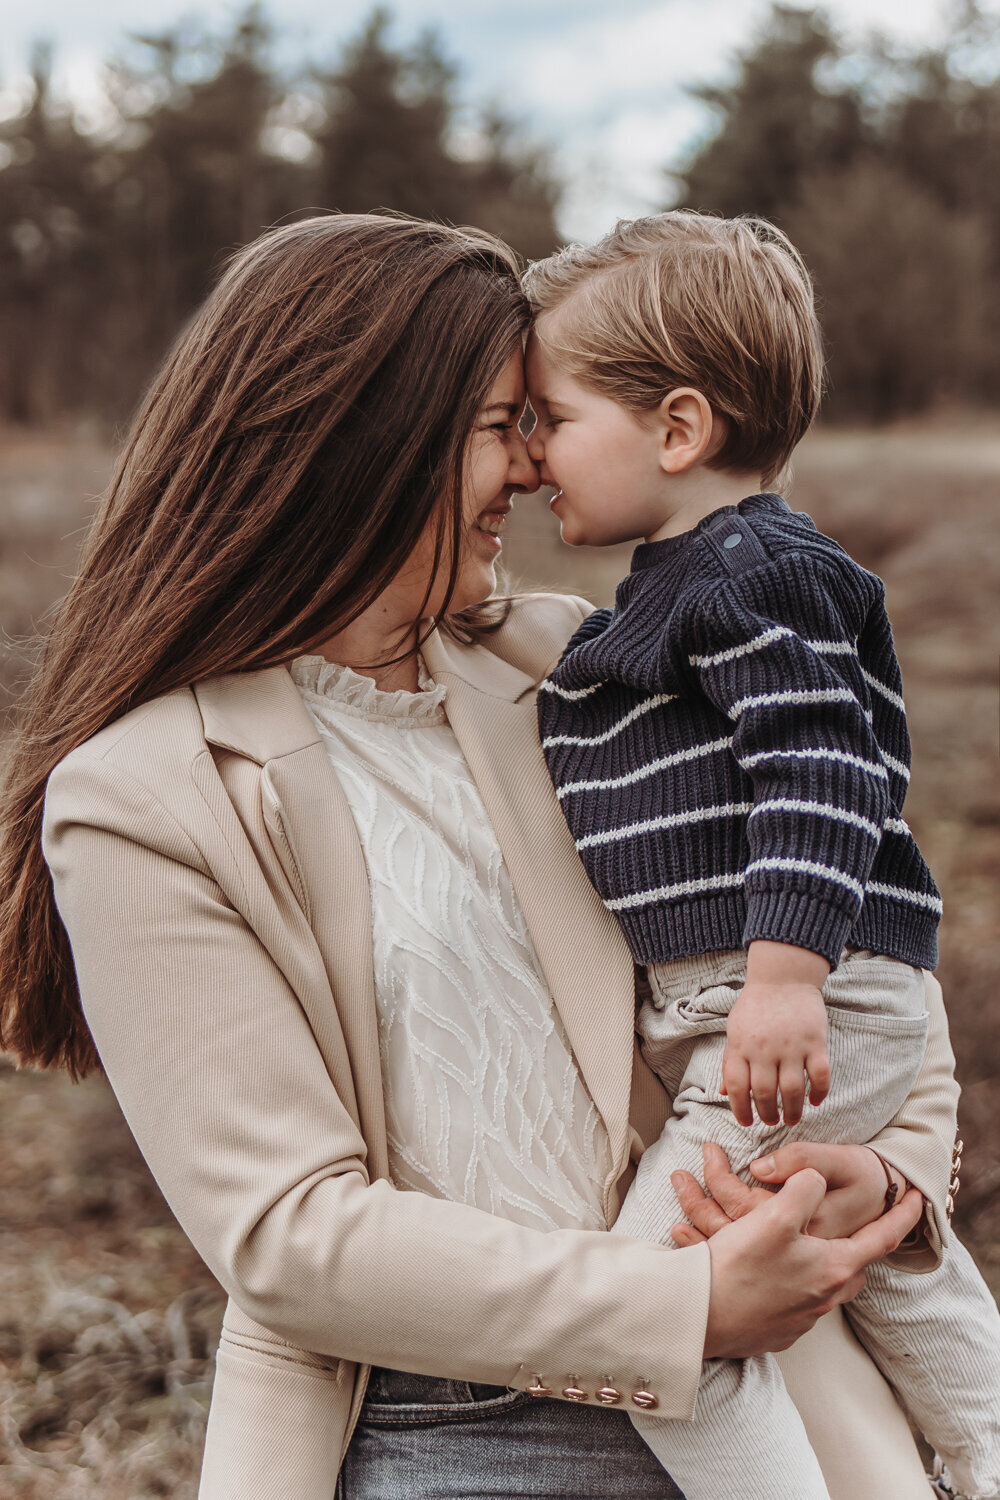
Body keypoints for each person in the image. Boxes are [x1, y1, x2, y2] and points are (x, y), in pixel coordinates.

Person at [0, 213, 958, 1500]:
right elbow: (290, 1237)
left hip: (782, 1401)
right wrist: (673, 1310)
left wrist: (872, 1169)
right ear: (365, 439)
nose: (529, 469)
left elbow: (870, 926)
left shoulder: (589, 669)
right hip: (447, 1440)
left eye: (539, 423)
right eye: (505, 425)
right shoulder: (142, 795)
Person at [525, 210, 1000, 1500]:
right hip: (757, 999)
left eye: (551, 419)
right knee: (857, 1244)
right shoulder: (674, 588)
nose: (528, 455)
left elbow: (826, 766)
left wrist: (785, 978)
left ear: (677, 430)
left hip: (787, 994)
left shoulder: (749, 570)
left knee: (656, 1313)